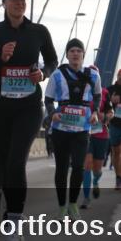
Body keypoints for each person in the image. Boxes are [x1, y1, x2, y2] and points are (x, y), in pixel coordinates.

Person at [0, 0, 57, 241]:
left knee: (15, 162)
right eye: (15, 0)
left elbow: (53, 61)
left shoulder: (39, 32)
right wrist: (1, 60)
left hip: (30, 107)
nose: (20, 3)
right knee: (1, 166)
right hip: (1, 108)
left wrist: (42, 75)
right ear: (4, 3)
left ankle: (12, 228)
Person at [45, 38, 101, 219]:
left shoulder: (93, 75)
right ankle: (62, 206)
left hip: (81, 128)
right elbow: (48, 99)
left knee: (78, 167)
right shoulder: (57, 75)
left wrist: (95, 112)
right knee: (61, 168)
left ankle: (73, 204)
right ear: (67, 55)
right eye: (72, 51)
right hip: (61, 128)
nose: (75, 54)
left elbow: (98, 96)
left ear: (83, 55)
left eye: (79, 51)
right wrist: (53, 112)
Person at [81, 91, 111, 209]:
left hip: (101, 135)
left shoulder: (104, 92)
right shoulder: (81, 88)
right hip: (85, 134)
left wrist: (106, 116)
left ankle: (95, 181)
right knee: (87, 165)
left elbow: (111, 112)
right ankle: (86, 197)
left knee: (97, 169)